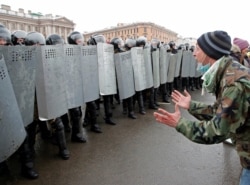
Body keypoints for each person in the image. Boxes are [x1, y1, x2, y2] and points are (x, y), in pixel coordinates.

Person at [153, 30, 250, 185]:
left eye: (197, 48)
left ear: (209, 52)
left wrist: (179, 123)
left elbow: (217, 131)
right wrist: (192, 105)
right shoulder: (229, 71)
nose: (193, 53)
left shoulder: (233, 84)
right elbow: (220, 112)